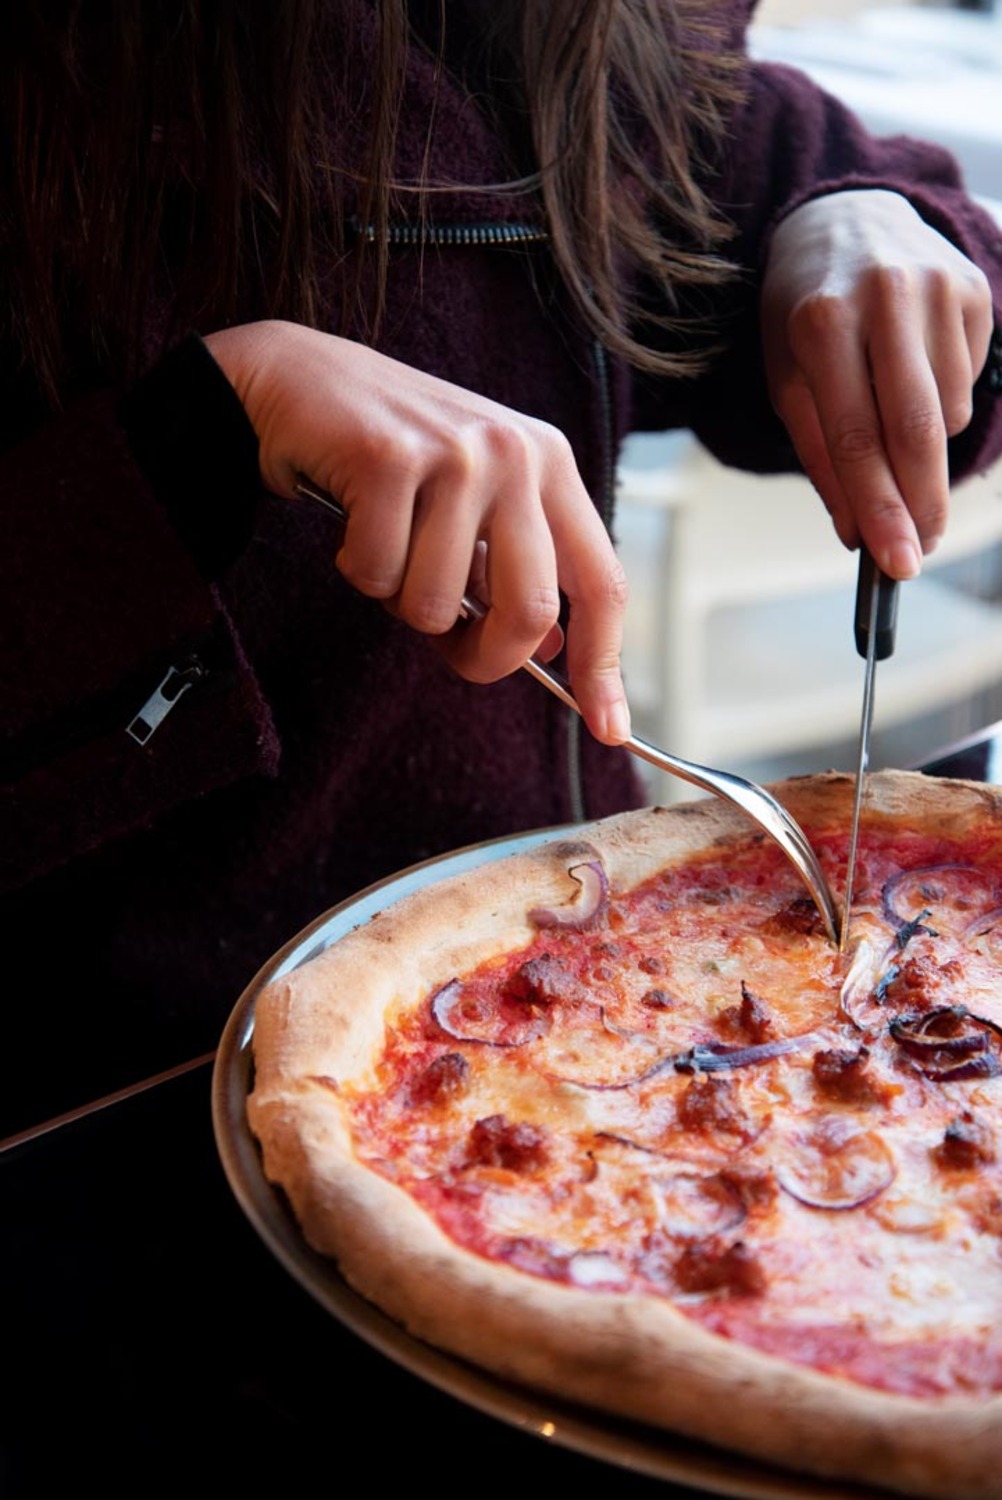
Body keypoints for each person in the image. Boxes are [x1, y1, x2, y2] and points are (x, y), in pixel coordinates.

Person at [2, 0, 1001, 1135]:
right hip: (96, 1081)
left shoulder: (570, 33)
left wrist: (866, 214)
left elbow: (756, 151)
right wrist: (203, 432)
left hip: (593, 969)